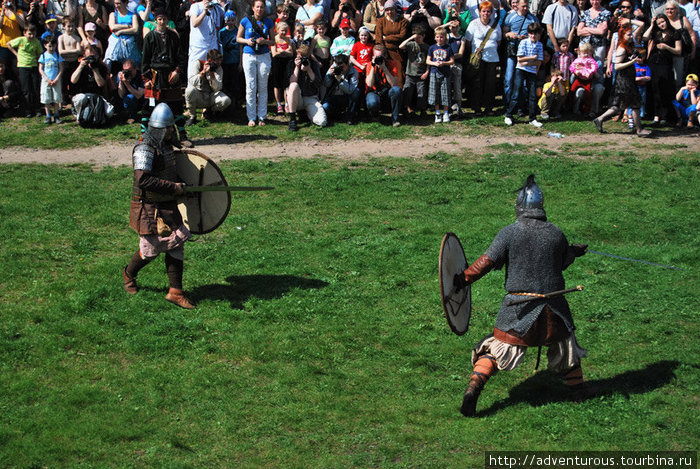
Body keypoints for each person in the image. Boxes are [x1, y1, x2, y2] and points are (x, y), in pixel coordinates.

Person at [454, 174, 591, 417]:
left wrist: (463, 279)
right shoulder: (556, 233)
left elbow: (486, 262)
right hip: (553, 306)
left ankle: (474, 387)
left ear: (519, 207)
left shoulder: (509, 232)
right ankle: (579, 396)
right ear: (541, 207)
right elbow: (560, 262)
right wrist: (573, 252)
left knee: (494, 351)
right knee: (566, 349)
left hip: (519, 306)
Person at [123, 102, 195, 310]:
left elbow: (171, 172)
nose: (173, 131)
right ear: (161, 128)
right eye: (170, 127)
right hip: (149, 206)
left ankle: (176, 291)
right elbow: (143, 180)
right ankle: (129, 274)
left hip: (167, 203)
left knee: (176, 245)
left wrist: (184, 185)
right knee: (150, 250)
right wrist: (174, 188)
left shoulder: (165, 145)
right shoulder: (145, 147)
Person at [142, 8, 192, 147]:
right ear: (155, 20)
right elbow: (144, 60)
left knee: (176, 107)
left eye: (164, 19)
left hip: (171, 76)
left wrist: (177, 71)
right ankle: (144, 138)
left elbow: (181, 58)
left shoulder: (174, 36)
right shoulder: (149, 37)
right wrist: (146, 80)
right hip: (155, 76)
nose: (162, 22)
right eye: (159, 19)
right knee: (149, 108)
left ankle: (182, 136)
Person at [593, 25, 651, 136]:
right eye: (628, 34)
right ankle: (639, 130)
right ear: (622, 36)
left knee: (618, 106)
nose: (631, 36)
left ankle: (600, 119)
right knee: (635, 103)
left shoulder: (629, 45)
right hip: (624, 81)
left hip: (628, 78)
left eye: (631, 34)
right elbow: (617, 66)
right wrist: (632, 61)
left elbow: (641, 25)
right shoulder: (622, 48)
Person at [237, 0, 274, 126]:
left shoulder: (268, 22)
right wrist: (247, 41)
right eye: (257, 7)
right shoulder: (245, 20)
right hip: (249, 55)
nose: (259, 9)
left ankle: (262, 116)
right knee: (251, 86)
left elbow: (273, 41)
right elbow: (238, 38)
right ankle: (251, 117)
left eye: (262, 7)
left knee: (263, 86)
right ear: (253, 8)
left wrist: (264, 41)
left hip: (263, 55)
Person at [464, 0, 501, 116]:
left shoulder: (496, 25)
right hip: (478, 59)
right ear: (479, 12)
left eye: (488, 11)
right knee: (477, 83)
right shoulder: (473, 24)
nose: (486, 13)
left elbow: (499, 41)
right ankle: (477, 107)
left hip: (492, 58)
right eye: (483, 11)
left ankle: (489, 107)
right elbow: (468, 42)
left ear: (491, 12)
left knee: (490, 83)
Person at [643, 14, 681, 125]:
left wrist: (666, 47)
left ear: (667, 21)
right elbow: (645, 37)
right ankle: (656, 116)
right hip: (654, 62)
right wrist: (651, 25)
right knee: (655, 89)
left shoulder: (675, 33)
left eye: (663, 22)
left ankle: (666, 115)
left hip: (666, 63)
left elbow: (678, 50)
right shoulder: (656, 33)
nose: (661, 25)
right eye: (659, 23)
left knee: (664, 89)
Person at [504, 22, 543, 127]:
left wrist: (531, 63)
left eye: (535, 34)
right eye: (531, 33)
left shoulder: (539, 45)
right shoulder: (523, 42)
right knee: (516, 92)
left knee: (532, 95)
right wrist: (532, 58)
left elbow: (539, 62)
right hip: (521, 70)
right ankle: (509, 115)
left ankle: (532, 118)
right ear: (528, 33)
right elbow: (520, 60)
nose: (533, 36)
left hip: (532, 71)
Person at [502, 0, 538, 112]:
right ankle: (508, 105)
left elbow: (538, 34)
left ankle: (520, 107)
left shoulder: (533, 18)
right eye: (523, 6)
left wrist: (527, 38)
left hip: (526, 52)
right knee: (509, 78)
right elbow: (504, 33)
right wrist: (510, 35)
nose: (525, 8)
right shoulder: (510, 17)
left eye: (527, 6)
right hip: (513, 50)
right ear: (517, 6)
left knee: (523, 82)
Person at [285, 43, 327, 130]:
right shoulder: (291, 64)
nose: (303, 59)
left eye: (305, 57)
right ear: (297, 55)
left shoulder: (314, 64)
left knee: (322, 121)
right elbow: (291, 81)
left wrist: (309, 70)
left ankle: (306, 113)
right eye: (301, 56)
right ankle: (292, 119)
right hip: (297, 98)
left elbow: (318, 83)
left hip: (310, 97)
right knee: (293, 86)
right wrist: (297, 67)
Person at [185, 48, 231, 123]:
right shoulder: (198, 64)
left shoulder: (219, 69)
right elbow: (192, 81)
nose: (219, 63)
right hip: (199, 94)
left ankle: (210, 111)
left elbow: (218, 88)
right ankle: (192, 116)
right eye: (217, 61)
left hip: (210, 95)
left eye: (220, 60)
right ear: (210, 60)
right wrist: (203, 72)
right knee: (189, 90)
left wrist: (212, 76)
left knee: (226, 100)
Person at [8, 24, 42, 117]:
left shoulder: (36, 42)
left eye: (33, 34)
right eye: (29, 34)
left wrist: (36, 60)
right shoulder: (20, 40)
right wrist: (16, 54)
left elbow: (39, 53)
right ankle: (28, 109)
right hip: (23, 67)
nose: (31, 36)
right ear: (24, 33)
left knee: (35, 88)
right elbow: (9, 44)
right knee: (26, 89)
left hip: (33, 66)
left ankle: (37, 108)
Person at [365, 43, 402, 126]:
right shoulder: (370, 65)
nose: (378, 59)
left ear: (385, 56)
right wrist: (373, 67)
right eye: (376, 57)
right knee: (372, 102)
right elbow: (369, 84)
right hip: (374, 92)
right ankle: (375, 116)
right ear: (373, 57)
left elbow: (394, 84)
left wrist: (385, 69)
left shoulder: (392, 64)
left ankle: (395, 118)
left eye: (380, 57)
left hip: (388, 91)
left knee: (397, 90)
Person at [188, 0, 225, 79]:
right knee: (194, 75)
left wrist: (218, 46)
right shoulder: (195, 6)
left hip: (212, 46)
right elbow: (195, 23)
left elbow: (217, 29)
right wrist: (205, 11)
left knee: (212, 75)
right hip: (198, 47)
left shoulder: (216, 9)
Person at [399, 24, 429, 116]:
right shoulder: (411, 44)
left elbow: (428, 61)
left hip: (421, 74)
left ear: (423, 36)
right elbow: (401, 46)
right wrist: (411, 37)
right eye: (416, 37)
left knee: (422, 93)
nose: (417, 39)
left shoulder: (427, 47)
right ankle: (407, 108)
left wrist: (427, 72)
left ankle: (422, 109)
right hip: (410, 73)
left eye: (419, 37)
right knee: (408, 92)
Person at [426, 25, 455, 123]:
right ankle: (437, 113)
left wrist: (444, 63)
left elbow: (452, 61)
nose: (439, 39)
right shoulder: (432, 48)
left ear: (445, 37)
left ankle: (446, 112)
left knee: (445, 93)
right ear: (435, 37)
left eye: (441, 37)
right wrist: (435, 63)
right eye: (437, 37)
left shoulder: (448, 48)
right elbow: (427, 61)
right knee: (435, 93)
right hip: (434, 72)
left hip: (445, 73)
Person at [665, 1, 696, 87]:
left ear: (676, 9)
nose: (670, 11)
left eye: (672, 9)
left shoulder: (683, 20)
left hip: (681, 54)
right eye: (667, 9)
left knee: (678, 79)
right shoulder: (663, 21)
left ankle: (678, 97)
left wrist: (693, 51)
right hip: (666, 55)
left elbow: (692, 35)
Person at [322, 53, 360, 123]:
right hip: (334, 96)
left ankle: (350, 115)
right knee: (325, 107)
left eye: (342, 67)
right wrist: (330, 75)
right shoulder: (333, 68)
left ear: (347, 64)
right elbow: (326, 84)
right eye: (338, 66)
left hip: (346, 97)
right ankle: (337, 115)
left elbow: (350, 90)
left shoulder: (353, 71)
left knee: (356, 91)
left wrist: (341, 81)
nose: (340, 69)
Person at [104, 0, 141, 72]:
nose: (117, 6)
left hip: (129, 45)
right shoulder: (113, 14)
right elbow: (112, 27)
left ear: (125, 3)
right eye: (115, 3)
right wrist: (127, 26)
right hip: (116, 44)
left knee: (131, 64)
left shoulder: (133, 15)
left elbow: (135, 30)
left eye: (119, 3)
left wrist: (121, 31)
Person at [219, 10, 242, 118]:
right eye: (228, 20)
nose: (231, 22)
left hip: (235, 61)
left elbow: (240, 48)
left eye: (233, 20)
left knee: (236, 84)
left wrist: (241, 62)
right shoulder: (222, 32)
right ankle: (226, 106)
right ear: (225, 21)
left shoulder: (238, 31)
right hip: (225, 62)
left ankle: (236, 104)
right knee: (226, 84)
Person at [375, 0, 408, 70]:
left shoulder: (402, 21)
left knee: (399, 74)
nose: (389, 12)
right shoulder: (381, 21)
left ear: (395, 9)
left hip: (398, 51)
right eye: (387, 10)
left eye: (392, 9)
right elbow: (378, 37)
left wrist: (387, 38)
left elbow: (402, 36)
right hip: (385, 52)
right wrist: (382, 51)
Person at [38, 37, 63, 123]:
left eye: (53, 46)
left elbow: (61, 68)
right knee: (46, 98)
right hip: (46, 80)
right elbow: (41, 69)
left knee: (56, 98)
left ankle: (56, 115)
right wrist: (47, 79)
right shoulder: (43, 56)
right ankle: (48, 115)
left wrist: (57, 78)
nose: (51, 48)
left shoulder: (57, 55)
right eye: (49, 46)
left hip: (56, 79)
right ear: (45, 46)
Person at [569, 42, 599, 116]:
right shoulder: (578, 60)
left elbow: (594, 67)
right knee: (572, 90)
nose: (586, 55)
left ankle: (586, 110)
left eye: (587, 53)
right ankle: (569, 106)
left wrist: (590, 72)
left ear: (591, 53)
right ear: (580, 53)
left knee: (587, 94)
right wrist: (576, 71)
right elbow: (571, 67)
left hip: (587, 80)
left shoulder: (591, 61)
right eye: (584, 53)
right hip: (579, 79)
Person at [271, 19, 293, 115]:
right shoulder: (274, 39)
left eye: (285, 30)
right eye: (282, 30)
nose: (283, 32)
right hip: (277, 63)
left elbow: (291, 53)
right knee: (276, 83)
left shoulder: (288, 39)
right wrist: (285, 51)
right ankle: (278, 103)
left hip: (286, 63)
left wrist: (281, 51)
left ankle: (287, 103)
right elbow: (274, 54)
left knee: (286, 84)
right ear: (277, 30)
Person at [117, 58, 145, 123]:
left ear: (135, 69)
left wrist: (127, 84)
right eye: (125, 71)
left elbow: (138, 95)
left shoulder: (141, 76)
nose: (128, 73)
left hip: (142, 100)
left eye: (130, 71)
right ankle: (131, 115)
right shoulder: (122, 76)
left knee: (131, 97)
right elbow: (121, 95)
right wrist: (121, 81)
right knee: (128, 98)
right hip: (129, 101)